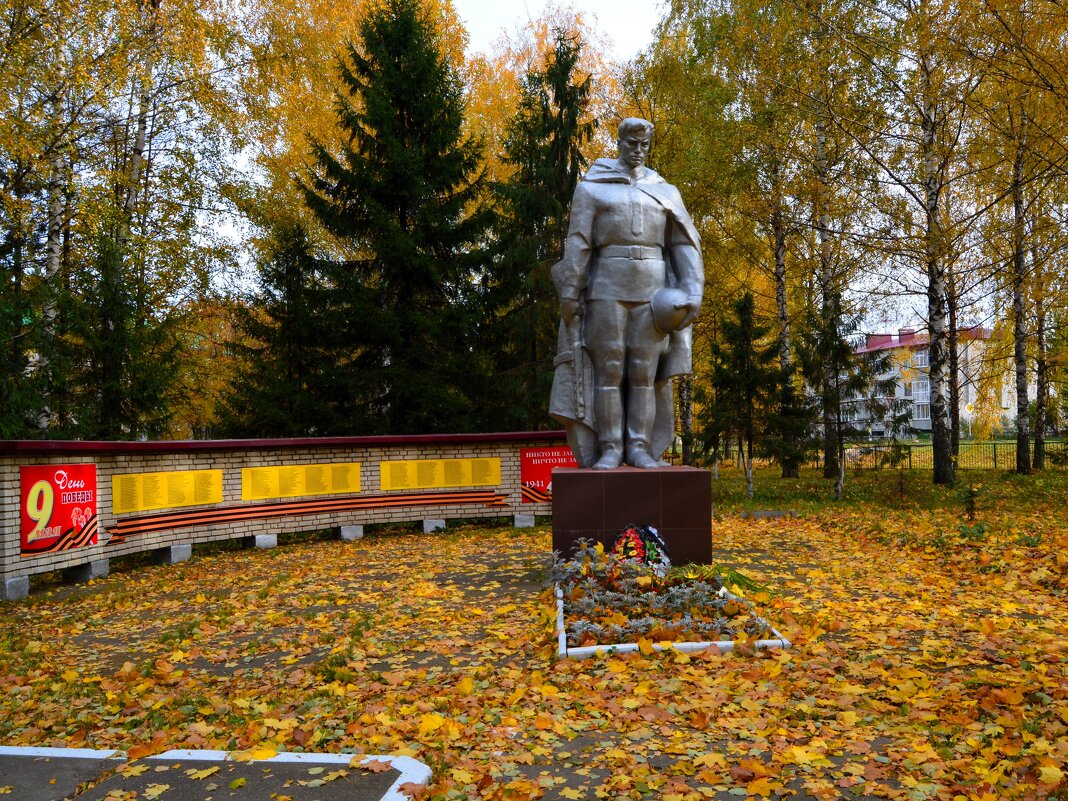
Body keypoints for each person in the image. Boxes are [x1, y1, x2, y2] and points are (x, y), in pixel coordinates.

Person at [549, 118, 704, 469]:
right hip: (606, 287)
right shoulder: (592, 188)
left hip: (654, 292)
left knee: (643, 373)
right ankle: (609, 449)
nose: (638, 150)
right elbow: (579, 243)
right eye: (632, 143)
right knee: (609, 370)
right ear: (619, 142)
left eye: (644, 145)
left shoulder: (665, 190)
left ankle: (638, 447)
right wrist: (571, 293)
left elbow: (683, 242)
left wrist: (692, 289)